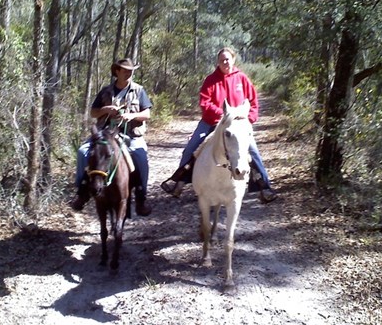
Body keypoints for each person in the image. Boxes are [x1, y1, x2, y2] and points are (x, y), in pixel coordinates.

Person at [161, 47, 277, 203]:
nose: (225, 62)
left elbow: (253, 102)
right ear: (218, 62)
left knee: (252, 150)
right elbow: (205, 102)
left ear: (233, 60)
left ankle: (264, 187)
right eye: (222, 60)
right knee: (192, 146)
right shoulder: (210, 79)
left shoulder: (242, 79)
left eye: (227, 59)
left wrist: (249, 118)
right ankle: (178, 181)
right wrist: (222, 115)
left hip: (237, 124)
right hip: (212, 121)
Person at [70, 58, 153, 216]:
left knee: (141, 156)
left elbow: (147, 114)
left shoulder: (139, 90)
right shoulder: (105, 91)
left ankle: (141, 198)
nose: (129, 73)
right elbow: (93, 112)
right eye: (125, 70)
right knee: (82, 152)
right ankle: (82, 192)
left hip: (131, 134)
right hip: (105, 134)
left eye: (131, 71)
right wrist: (106, 110)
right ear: (117, 72)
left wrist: (131, 115)